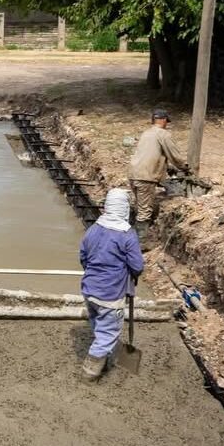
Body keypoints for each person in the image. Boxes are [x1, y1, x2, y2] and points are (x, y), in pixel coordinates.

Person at [79, 189, 144, 381]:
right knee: (108, 333)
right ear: (125, 209)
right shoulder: (127, 235)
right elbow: (137, 266)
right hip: (111, 293)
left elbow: (83, 257)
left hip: (89, 289)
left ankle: (103, 354)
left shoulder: (93, 229)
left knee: (98, 324)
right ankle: (90, 372)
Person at [128, 108, 188, 232]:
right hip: (146, 176)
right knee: (144, 211)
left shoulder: (146, 133)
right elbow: (175, 156)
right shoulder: (163, 134)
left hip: (134, 173)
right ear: (164, 120)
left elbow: (150, 154)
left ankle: (132, 231)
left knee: (140, 205)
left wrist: (168, 168)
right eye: (166, 121)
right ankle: (141, 239)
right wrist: (185, 167)